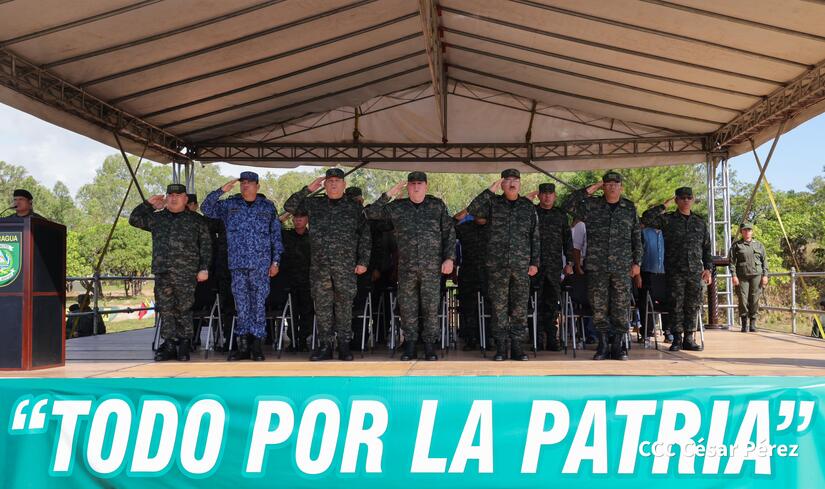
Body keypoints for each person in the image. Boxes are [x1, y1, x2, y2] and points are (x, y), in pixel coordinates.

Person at [364, 171, 456, 361]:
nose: (416, 187)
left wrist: (449, 258)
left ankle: (429, 346)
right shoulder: (398, 207)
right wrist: (389, 194)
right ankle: (410, 345)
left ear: (426, 186)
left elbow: (449, 233)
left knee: (431, 307)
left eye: (419, 183)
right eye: (412, 184)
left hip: (431, 267)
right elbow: (370, 213)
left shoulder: (436, 205)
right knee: (407, 308)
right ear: (408, 187)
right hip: (406, 268)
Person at [284, 168, 371, 361]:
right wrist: (308, 189)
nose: (333, 184)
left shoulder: (354, 207)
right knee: (322, 307)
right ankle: (325, 346)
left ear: (344, 184)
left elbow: (365, 236)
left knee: (344, 306)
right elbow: (289, 206)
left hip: (345, 266)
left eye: (337, 181)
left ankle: (344, 345)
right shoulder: (314, 203)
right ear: (324, 184)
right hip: (320, 266)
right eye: (329, 181)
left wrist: (363, 261)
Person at [458, 168, 539, 361]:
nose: (512, 183)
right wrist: (489, 191)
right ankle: (501, 347)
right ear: (502, 184)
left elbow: (534, 236)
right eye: (508, 180)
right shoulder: (492, 203)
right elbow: (473, 209)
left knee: (519, 308)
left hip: (520, 266)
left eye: (515, 180)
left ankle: (517, 348)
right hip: (497, 266)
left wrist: (534, 262)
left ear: (520, 183)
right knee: (498, 308)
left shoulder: (527, 207)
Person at [202, 171, 283, 361]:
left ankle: (257, 346)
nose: (246, 185)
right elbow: (206, 208)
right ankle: (243, 345)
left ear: (257, 186)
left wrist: (276, 261)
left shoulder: (267, 207)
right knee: (242, 305)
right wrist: (222, 190)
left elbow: (276, 236)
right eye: (243, 182)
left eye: (250, 183)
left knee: (258, 305)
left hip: (261, 265)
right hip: (238, 265)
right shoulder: (230, 205)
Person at [564, 171, 642, 361]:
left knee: (620, 307)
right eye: (608, 184)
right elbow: (567, 204)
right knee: (599, 307)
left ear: (621, 187)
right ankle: (603, 345)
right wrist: (592, 188)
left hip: (622, 266)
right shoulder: (592, 206)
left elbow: (636, 238)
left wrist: (637, 263)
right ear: (603, 186)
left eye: (616, 184)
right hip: (597, 266)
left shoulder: (629, 208)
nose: (612, 187)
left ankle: (618, 346)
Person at [129, 184, 211, 361]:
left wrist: (204, 268)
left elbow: (205, 246)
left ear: (185, 199)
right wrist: (148, 204)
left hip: (186, 272)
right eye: (171, 195)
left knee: (184, 308)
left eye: (178, 195)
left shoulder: (196, 220)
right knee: (165, 309)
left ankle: (184, 344)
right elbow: (134, 220)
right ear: (166, 197)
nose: (174, 198)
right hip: (163, 271)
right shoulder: (157, 218)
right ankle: (169, 344)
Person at [641, 187, 712, 351]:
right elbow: (646, 218)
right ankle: (677, 338)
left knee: (692, 305)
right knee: (675, 305)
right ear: (677, 200)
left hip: (694, 271)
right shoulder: (668, 220)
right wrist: (662, 206)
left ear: (693, 199)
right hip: (674, 271)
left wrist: (708, 268)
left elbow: (706, 248)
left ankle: (689, 338)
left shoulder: (699, 222)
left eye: (689, 197)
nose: (686, 200)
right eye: (682, 198)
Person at [526, 183, 573, 351]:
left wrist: (570, 262)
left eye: (550, 194)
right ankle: (536, 340)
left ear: (555, 196)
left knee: (552, 304)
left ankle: (552, 339)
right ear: (539, 196)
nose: (547, 197)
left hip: (554, 266)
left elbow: (567, 240)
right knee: (535, 303)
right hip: (535, 265)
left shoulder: (560, 215)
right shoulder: (532, 212)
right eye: (544, 193)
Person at [280, 210, 313, 351]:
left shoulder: (313, 236)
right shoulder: (286, 235)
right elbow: (273, 225)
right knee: (291, 312)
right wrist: (288, 212)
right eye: (296, 217)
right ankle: (293, 340)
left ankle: (303, 340)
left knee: (307, 311)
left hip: (307, 280)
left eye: (302, 217)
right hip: (290, 281)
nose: (298, 220)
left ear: (307, 220)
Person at [454, 215, 488, 350]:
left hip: (490, 274)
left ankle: (489, 338)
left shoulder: (496, 227)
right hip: (468, 273)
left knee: (491, 307)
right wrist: (462, 213)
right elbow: (446, 230)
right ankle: (470, 339)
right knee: (468, 308)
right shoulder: (463, 228)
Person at [729, 222, 769, 332]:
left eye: (749, 230)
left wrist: (765, 275)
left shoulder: (759, 245)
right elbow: (732, 262)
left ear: (752, 232)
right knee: (742, 299)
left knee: (755, 299)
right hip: (742, 276)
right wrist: (734, 275)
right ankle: (744, 323)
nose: (747, 232)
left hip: (756, 276)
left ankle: (752, 324)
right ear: (741, 232)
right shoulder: (737, 245)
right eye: (745, 230)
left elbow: (764, 261)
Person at [638, 220, 670, 341]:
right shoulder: (644, 233)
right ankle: (646, 332)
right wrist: (637, 275)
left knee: (668, 301)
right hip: (647, 273)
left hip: (665, 274)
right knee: (646, 303)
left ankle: (669, 331)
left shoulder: (668, 232)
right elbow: (637, 253)